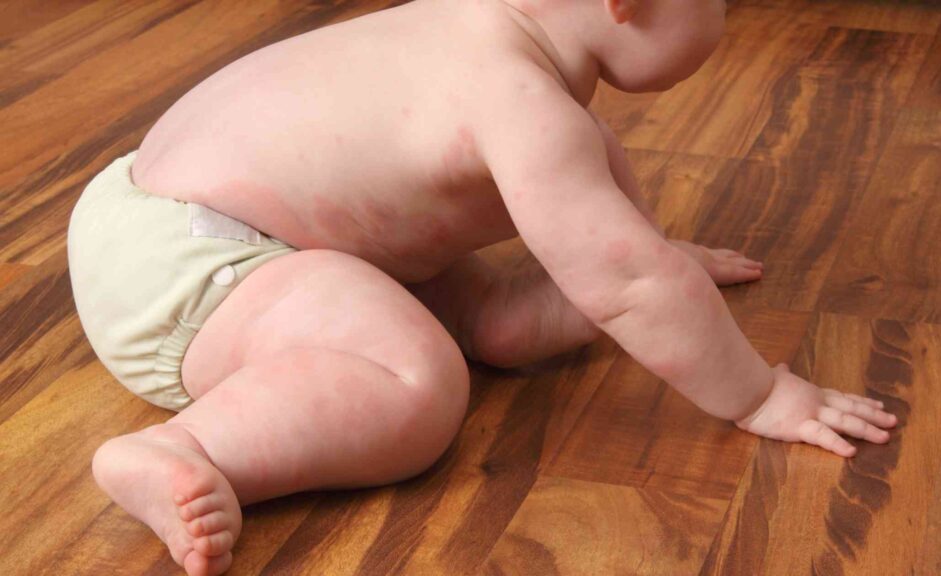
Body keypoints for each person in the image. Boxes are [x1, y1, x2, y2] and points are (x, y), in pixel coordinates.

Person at [66, 1, 898, 574]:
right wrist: (757, 396)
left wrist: (651, 256)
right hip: (187, 266)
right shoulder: (521, 103)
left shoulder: (469, 32)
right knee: (414, 378)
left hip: (149, 199)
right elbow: (628, 287)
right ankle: (187, 450)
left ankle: (499, 316)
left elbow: (615, 248)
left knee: (467, 285)